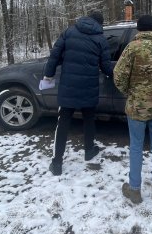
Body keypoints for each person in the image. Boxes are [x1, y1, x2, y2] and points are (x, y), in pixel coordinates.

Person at [44, 11, 113, 175]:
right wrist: (114, 74)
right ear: (100, 23)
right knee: (89, 120)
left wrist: (48, 74)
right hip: (89, 87)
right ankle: (89, 151)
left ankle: (57, 163)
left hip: (68, 86)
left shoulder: (69, 32)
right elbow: (106, 67)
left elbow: (55, 55)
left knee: (63, 123)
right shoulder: (101, 39)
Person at [113, 15, 152, 204]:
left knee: (136, 147)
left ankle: (135, 191)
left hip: (137, 107)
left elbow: (118, 75)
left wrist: (129, 92)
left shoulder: (132, 48)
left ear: (138, 29)